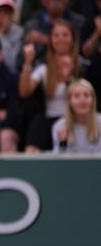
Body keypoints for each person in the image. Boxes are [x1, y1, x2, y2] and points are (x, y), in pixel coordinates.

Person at [19, 20, 82, 152]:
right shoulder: (44, 68)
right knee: (37, 125)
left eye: (65, 35)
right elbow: (24, 92)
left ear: (72, 39)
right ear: (51, 40)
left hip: (75, 120)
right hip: (48, 121)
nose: (60, 39)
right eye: (56, 35)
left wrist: (69, 76)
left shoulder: (83, 66)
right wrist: (28, 62)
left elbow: (84, 95)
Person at [21, 0, 84, 67]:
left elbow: (80, 52)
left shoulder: (78, 22)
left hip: (71, 69)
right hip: (38, 72)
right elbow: (19, 61)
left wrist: (46, 40)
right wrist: (28, 46)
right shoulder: (32, 25)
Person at [52, 78, 101, 153]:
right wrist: (62, 144)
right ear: (69, 101)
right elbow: (58, 161)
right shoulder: (60, 126)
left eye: (86, 95)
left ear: (93, 100)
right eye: (77, 96)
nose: (82, 100)